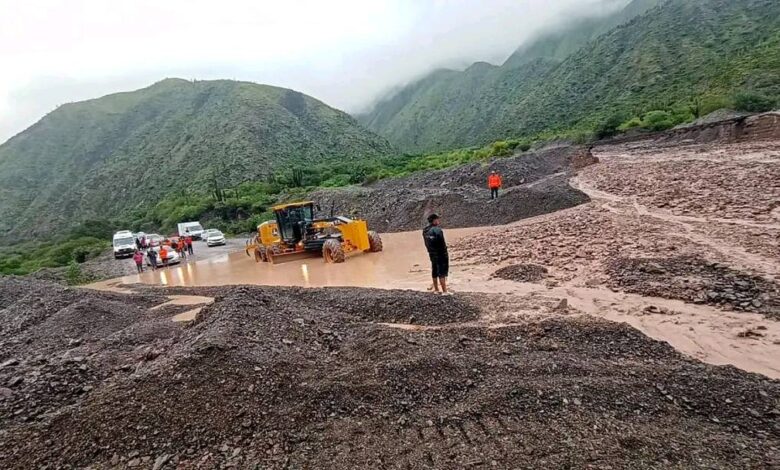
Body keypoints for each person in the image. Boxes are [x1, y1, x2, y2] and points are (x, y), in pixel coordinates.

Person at [422, 213, 450, 295]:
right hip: (440, 253)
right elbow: (442, 243)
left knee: (434, 270)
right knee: (442, 271)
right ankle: (445, 291)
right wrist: (444, 252)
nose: (438, 221)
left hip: (431, 253)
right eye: (437, 219)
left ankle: (436, 289)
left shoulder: (425, 231)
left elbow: (427, 243)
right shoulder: (437, 230)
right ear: (434, 221)